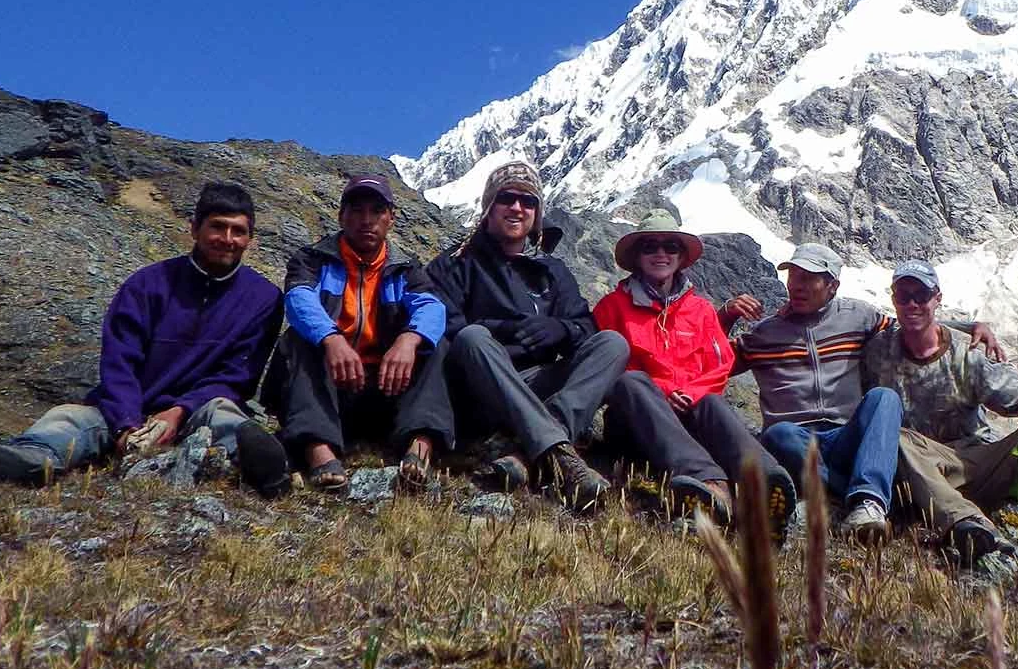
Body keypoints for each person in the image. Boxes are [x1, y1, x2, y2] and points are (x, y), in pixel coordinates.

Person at [0, 181, 287, 494]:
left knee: (226, 413)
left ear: (250, 239)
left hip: (197, 411)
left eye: (238, 231)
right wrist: (127, 422)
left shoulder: (264, 299)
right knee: (70, 417)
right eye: (217, 227)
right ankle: (29, 459)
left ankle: (262, 467)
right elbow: (119, 361)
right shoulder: (147, 284)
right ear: (195, 228)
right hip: (127, 410)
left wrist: (179, 411)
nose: (227, 239)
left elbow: (237, 376)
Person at [725, 243, 1007, 545]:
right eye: (794, 276)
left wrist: (970, 326)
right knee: (779, 434)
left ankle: (868, 504)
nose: (797, 286)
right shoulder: (763, 335)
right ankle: (863, 496)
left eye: (809, 278)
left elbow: (911, 325)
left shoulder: (858, 317)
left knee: (884, 399)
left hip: (848, 436)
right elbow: (710, 361)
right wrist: (725, 316)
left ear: (832, 285)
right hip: (797, 439)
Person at [427, 160, 627, 511]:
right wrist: (501, 330)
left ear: (537, 213)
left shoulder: (552, 271)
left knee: (613, 344)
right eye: (507, 198)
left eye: (528, 201)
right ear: (489, 206)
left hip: (538, 385)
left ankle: (533, 451)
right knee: (473, 337)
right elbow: (445, 325)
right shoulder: (455, 263)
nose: (517, 207)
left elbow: (586, 328)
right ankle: (559, 453)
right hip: (481, 389)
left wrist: (560, 329)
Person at [865, 260, 1018, 570]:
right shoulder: (877, 349)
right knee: (893, 437)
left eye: (921, 295)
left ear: (936, 298)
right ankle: (970, 524)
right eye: (903, 295)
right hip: (918, 470)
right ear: (894, 299)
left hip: (977, 463)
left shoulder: (968, 353)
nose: (912, 303)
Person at [593, 208, 796, 530]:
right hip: (636, 419)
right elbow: (609, 367)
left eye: (670, 246)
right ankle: (710, 482)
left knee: (712, 401)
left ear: (681, 255)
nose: (661, 253)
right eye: (650, 246)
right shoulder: (611, 307)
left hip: (689, 411)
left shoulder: (700, 310)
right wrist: (664, 392)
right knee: (631, 382)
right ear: (636, 256)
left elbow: (720, 363)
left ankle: (761, 479)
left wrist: (691, 392)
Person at [264, 174, 452, 494]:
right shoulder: (312, 260)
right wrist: (331, 338)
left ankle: (419, 448)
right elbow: (298, 299)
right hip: (332, 389)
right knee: (298, 339)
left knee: (435, 344)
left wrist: (408, 339)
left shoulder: (406, 268)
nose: (367, 220)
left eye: (376, 211)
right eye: (356, 210)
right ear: (341, 216)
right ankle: (319, 450)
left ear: (390, 219)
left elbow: (432, 308)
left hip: (386, 386)